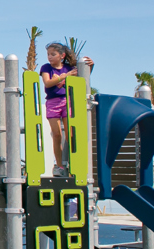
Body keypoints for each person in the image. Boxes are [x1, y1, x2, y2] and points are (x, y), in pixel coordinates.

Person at [40, 42, 94, 177]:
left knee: (70, 134)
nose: (50, 57)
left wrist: (91, 66)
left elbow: (83, 78)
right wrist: (64, 76)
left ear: (62, 56)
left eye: (53, 54)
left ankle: (73, 163)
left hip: (67, 101)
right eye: (48, 54)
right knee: (56, 134)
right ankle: (58, 165)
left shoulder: (69, 68)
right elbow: (47, 82)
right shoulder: (46, 68)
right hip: (52, 102)